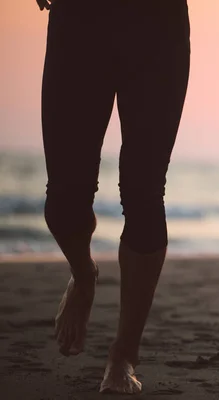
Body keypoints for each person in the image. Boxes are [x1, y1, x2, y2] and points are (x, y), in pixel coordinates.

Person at [36, 0, 190, 394]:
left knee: (144, 193)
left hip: (159, 25)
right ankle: (85, 275)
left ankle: (123, 356)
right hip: (80, 19)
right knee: (63, 202)